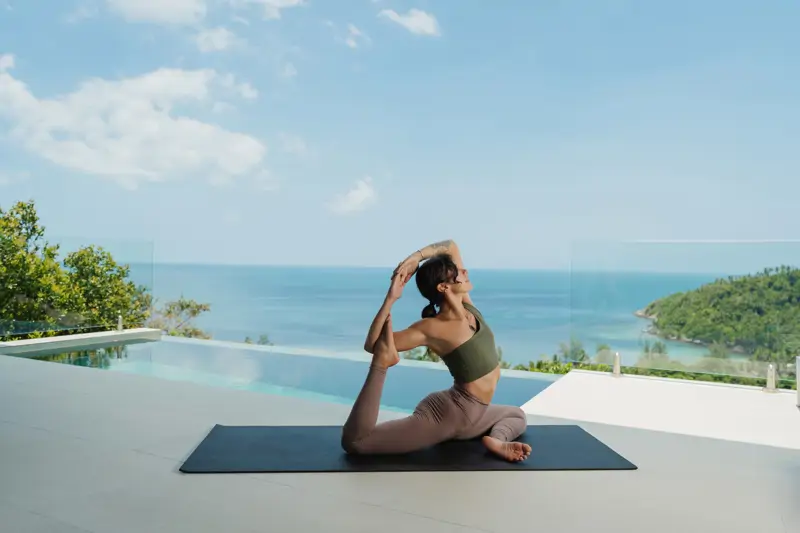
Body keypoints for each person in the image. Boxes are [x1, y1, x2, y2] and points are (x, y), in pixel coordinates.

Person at [340, 239, 531, 462]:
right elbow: (372, 344)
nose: (465, 271)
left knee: (517, 415)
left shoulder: (469, 308)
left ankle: (497, 440)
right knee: (356, 443)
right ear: (444, 286)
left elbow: (450, 246)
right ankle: (382, 365)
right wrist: (391, 298)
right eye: (457, 273)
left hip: (474, 413)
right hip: (451, 415)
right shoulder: (432, 328)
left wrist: (415, 257)